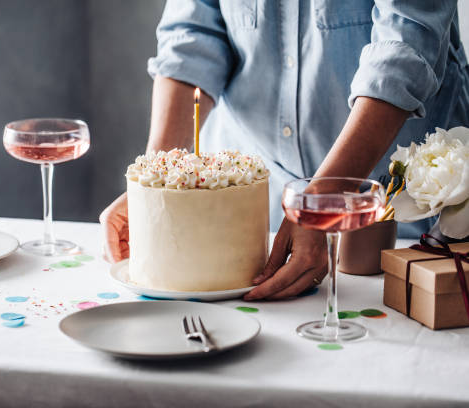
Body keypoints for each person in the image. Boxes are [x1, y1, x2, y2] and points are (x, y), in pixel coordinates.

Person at [99, 0, 469, 300]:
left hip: (402, 215)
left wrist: (321, 200)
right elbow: (192, 35)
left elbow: (405, 47)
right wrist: (156, 179)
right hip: (256, 222)